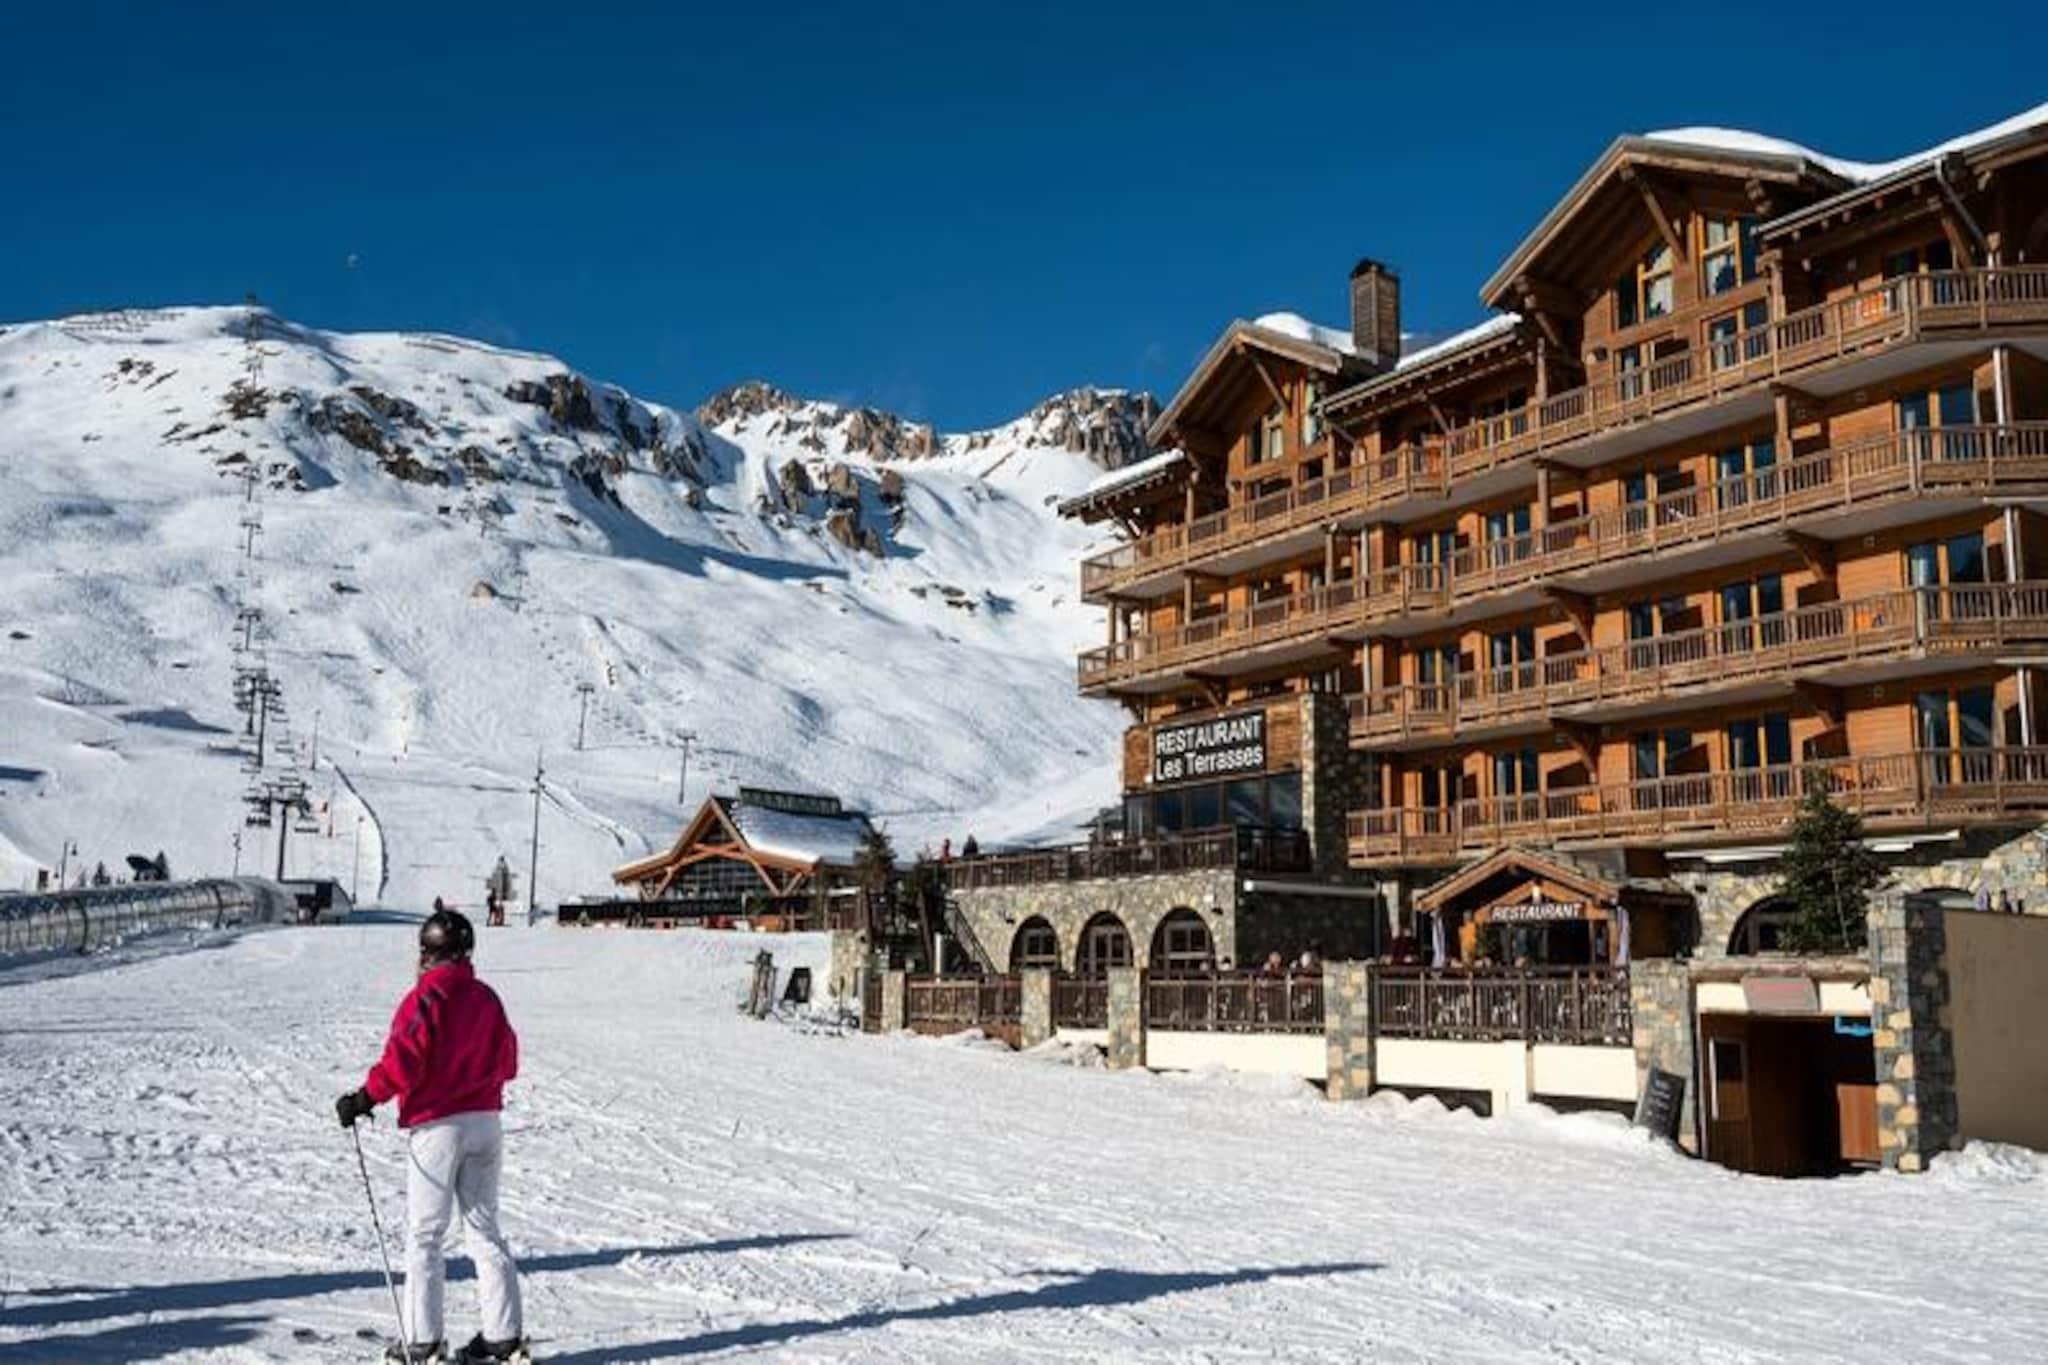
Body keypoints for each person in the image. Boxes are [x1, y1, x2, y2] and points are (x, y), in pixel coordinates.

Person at [335, 909, 526, 1364]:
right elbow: (509, 1061)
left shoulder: (425, 997)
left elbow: (403, 1062)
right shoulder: (487, 998)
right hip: (485, 1122)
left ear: (428, 952)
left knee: (425, 1235)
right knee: (484, 1229)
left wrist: (364, 1099)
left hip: (438, 1126)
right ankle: (503, 1337)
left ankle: (422, 1340)